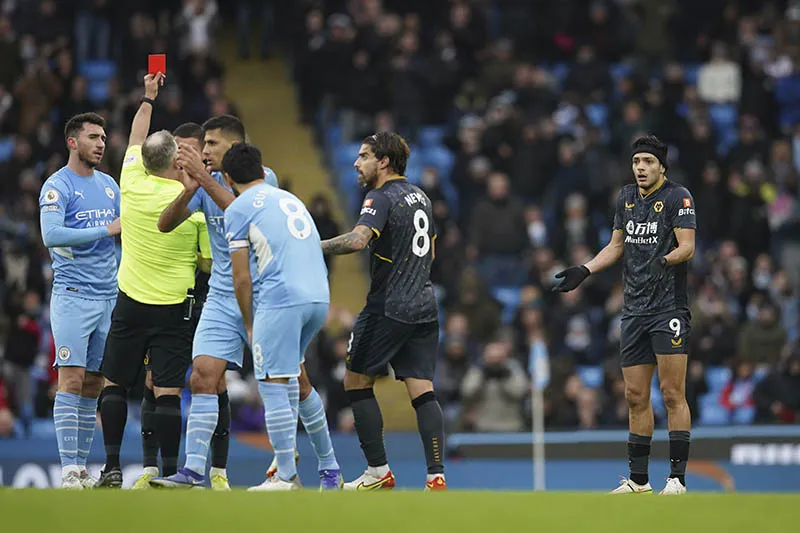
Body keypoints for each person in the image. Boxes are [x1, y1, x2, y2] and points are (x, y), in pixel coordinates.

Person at [155, 115, 341, 489]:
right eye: (203, 145)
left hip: (266, 294)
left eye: (211, 144)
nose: (204, 151)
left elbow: (238, 209)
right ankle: (193, 470)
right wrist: (191, 190)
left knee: (298, 384)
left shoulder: (262, 179)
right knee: (203, 375)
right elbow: (165, 224)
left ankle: (327, 466)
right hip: (224, 296)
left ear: (235, 145)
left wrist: (204, 181)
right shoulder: (204, 184)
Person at [553, 135, 696, 495]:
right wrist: (584, 270)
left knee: (672, 392)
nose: (641, 168)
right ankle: (639, 480)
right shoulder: (626, 198)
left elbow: (688, 247)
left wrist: (663, 259)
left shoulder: (678, 197)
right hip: (632, 310)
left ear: (662, 166)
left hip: (668, 308)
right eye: (636, 162)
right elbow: (617, 245)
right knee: (634, 395)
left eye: (648, 162)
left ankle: (677, 479)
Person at [95, 73, 212, 488]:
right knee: (166, 392)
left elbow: (135, 136)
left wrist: (148, 97)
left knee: (113, 383)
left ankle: (111, 466)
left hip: (130, 302)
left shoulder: (131, 180)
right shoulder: (194, 207)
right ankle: (167, 472)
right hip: (174, 309)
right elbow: (205, 263)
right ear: (175, 163)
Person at [321, 132, 447, 491]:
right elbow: (431, 255)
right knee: (422, 389)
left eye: (363, 156)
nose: (356, 163)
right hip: (424, 304)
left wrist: (311, 246)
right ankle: (436, 475)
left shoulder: (379, 196)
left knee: (355, 380)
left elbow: (358, 239)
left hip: (388, 305)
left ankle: (378, 471)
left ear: (384, 162)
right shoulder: (421, 196)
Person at [132, 122, 217, 490]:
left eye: (188, 149)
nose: (180, 157)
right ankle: (154, 467)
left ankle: (217, 471)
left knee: (211, 380)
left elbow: (210, 262)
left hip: (204, 297)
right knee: (156, 381)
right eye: (176, 150)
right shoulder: (165, 192)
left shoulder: (206, 193)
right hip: (168, 299)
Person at [39, 112, 121, 489]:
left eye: (103, 137)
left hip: (108, 296)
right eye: (93, 137)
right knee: (70, 380)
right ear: (73, 142)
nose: (101, 143)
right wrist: (106, 229)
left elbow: (125, 237)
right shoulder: (57, 186)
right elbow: (51, 235)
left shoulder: (108, 185)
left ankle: (83, 470)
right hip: (73, 296)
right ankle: (69, 469)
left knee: (94, 383)